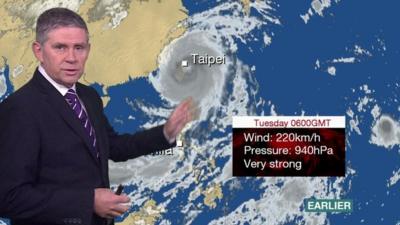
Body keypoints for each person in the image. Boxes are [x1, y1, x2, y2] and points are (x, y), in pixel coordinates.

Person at [0, 7, 193, 225]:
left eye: (79, 48)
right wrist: (88, 201)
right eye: (60, 47)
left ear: (88, 50)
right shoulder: (20, 109)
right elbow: (8, 198)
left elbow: (114, 147)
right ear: (38, 50)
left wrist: (165, 133)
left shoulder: (88, 96)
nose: (71, 58)